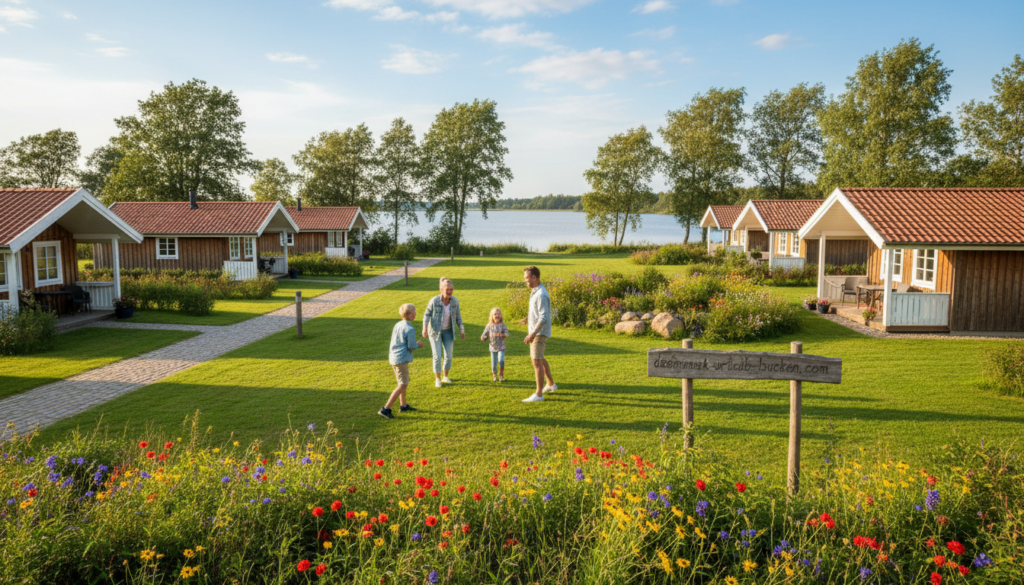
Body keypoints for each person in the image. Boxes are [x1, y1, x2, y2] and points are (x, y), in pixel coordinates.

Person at [380, 303, 424, 419]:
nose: (415, 314)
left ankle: (403, 405)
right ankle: (386, 409)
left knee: (403, 382)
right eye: (414, 313)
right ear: (411, 315)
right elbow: (411, 346)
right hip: (401, 359)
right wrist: (418, 344)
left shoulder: (398, 324)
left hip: (394, 358)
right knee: (403, 384)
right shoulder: (410, 329)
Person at [519, 266, 556, 403]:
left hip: (539, 333)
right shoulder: (535, 291)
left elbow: (544, 317)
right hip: (537, 331)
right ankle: (551, 384)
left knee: (536, 361)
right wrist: (528, 319)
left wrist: (532, 334)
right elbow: (537, 313)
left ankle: (539, 394)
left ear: (534, 278)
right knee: (539, 359)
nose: (525, 281)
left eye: (526, 278)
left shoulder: (541, 294)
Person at [422, 277, 465, 388]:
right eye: (447, 289)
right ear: (441, 289)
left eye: (451, 289)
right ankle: (437, 379)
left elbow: (458, 317)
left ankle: (445, 376)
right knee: (437, 356)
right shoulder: (434, 301)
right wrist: (424, 328)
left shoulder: (455, 301)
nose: (450, 291)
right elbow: (427, 314)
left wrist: (461, 329)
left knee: (449, 355)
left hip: (448, 331)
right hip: (435, 331)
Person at [481, 307, 510, 382]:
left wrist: (499, 334)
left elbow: (507, 334)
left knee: (501, 360)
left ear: (501, 316)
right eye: (495, 314)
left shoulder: (502, 325)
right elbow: (484, 334)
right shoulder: (489, 325)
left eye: (499, 314)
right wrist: (483, 338)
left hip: (501, 346)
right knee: (494, 363)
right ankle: (494, 375)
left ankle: (501, 374)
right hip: (492, 347)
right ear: (492, 316)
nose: (497, 315)